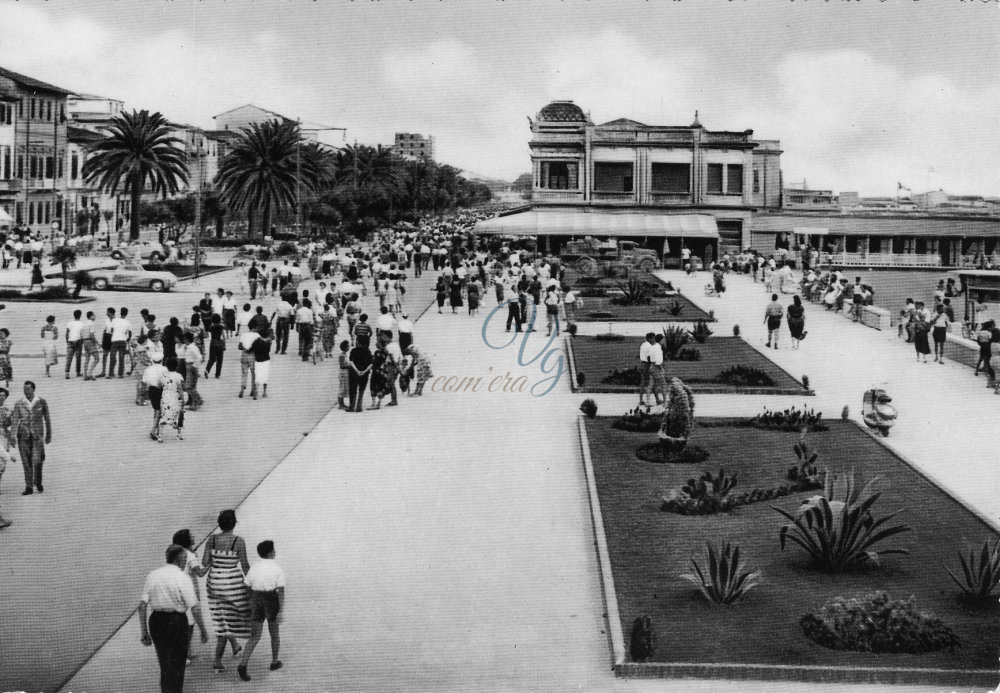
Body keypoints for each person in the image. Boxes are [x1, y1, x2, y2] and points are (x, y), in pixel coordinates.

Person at [138, 544, 201, 693]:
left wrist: (144, 632)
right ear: (181, 559)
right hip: (177, 621)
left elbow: (141, 606)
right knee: (178, 664)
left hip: (156, 621)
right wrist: (203, 629)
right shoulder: (183, 577)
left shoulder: (152, 575)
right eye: (185, 559)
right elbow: (195, 607)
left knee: (164, 663)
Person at [201, 509, 252, 673]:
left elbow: (204, 562)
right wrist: (252, 585)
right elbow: (244, 565)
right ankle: (217, 660)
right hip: (233, 585)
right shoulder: (238, 541)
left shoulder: (212, 540)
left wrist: (217, 563)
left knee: (221, 618)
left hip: (214, 583)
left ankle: (235, 645)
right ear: (234, 523)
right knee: (232, 619)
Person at [237, 540, 286, 681]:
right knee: (274, 633)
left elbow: (247, 586)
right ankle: (274, 661)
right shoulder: (277, 568)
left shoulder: (255, 567)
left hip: (256, 599)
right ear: (271, 553)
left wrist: (251, 600)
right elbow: (281, 591)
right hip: (271, 599)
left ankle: (243, 664)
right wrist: (280, 611)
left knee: (255, 636)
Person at [170, 529, 210, 667]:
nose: (194, 536)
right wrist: (210, 563)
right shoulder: (190, 556)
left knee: (187, 624)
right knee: (189, 624)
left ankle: (187, 652)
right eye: (191, 535)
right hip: (188, 593)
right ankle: (183, 654)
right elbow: (199, 573)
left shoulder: (177, 554)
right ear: (187, 540)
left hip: (178, 591)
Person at [11, 380, 51, 495]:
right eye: (24, 389)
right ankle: (29, 486)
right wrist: (13, 435)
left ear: (33, 389)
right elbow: (15, 420)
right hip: (23, 435)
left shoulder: (41, 402)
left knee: (38, 460)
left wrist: (49, 434)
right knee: (26, 462)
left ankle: (38, 482)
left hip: (37, 436)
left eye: (28, 388)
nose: (25, 391)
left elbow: (47, 419)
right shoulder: (19, 403)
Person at [157, 359, 185, 441]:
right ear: (176, 366)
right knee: (179, 414)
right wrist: (183, 399)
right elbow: (180, 389)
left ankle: (160, 435)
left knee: (164, 414)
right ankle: (179, 434)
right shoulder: (178, 376)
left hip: (165, 396)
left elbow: (159, 385)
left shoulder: (163, 375)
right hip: (174, 397)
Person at [348, 341, 373, 412]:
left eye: (357, 341)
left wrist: (357, 371)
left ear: (359, 342)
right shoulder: (368, 351)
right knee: (361, 390)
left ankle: (351, 406)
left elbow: (351, 362)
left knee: (353, 390)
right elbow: (371, 363)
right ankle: (359, 406)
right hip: (364, 374)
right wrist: (364, 371)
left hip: (354, 373)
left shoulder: (353, 350)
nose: (356, 342)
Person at [180, 334, 203, 411]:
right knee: (192, 386)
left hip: (191, 366)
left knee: (188, 386)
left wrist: (194, 365)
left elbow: (199, 357)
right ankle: (194, 404)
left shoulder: (192, 348)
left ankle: (198, 400)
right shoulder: (187, 347)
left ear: (186, 339)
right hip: (188, 365)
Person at [250, 327, 273, 398]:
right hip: (266, 360)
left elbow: (251, 349)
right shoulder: (268, 342)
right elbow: (268, 350)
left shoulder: (257, 341)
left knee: (258, 375)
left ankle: (256, 390)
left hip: (258, 360)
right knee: (265, 375)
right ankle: (264, 392)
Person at [238, 328, 259, 399]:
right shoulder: (257, 335)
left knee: (244, 374)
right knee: (254, 374)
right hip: (253, 355)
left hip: (244, 355)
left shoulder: (243, 335)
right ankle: (254, 391)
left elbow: (239, 347)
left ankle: (241, 390)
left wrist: (245, 347)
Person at [205, 314, 226, 379]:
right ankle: (217, 374)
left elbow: (207, 335)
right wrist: (224, 344)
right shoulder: (221, 326)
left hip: (213, 343)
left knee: (212, 358)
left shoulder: (211, 327)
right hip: (219, 343)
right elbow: (224, 336)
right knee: (220, 359)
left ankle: (207, 370)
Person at [64, 309, 84, 379]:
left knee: (69, 358)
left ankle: (67, 372)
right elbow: (82, 334)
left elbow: (66, 333)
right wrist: (82, 342)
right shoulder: (82, 324)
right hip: (78, 341)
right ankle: (78, 372)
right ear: (80, 316)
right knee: (78, 358)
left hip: (70, 341)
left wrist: (67, 342)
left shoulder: (69, 323)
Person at [337, 340, 350, 409]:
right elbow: (341, 365)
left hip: (346, 372)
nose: (349, 347)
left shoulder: (345, 354)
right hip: (343, 372)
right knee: (342, 387)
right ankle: (340, 404)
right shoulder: (342, 355)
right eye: (348, 346)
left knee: (344, 387)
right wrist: (349, 367)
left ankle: (342, 403)